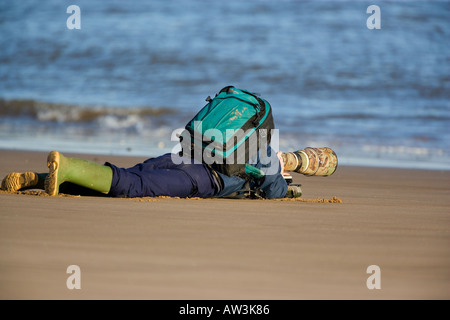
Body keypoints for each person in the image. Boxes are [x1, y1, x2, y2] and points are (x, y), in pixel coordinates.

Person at [1, 146, 337, 199]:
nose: (316, 162)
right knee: (133, 186)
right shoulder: (270, 153)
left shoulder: (257, 131)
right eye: (319, 159)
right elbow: (274, 192)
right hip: (204, 176)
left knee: (131, 175)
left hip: (184, 152)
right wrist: (283, 166)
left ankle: (48, 179)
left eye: (321, 162)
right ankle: (69, 165)